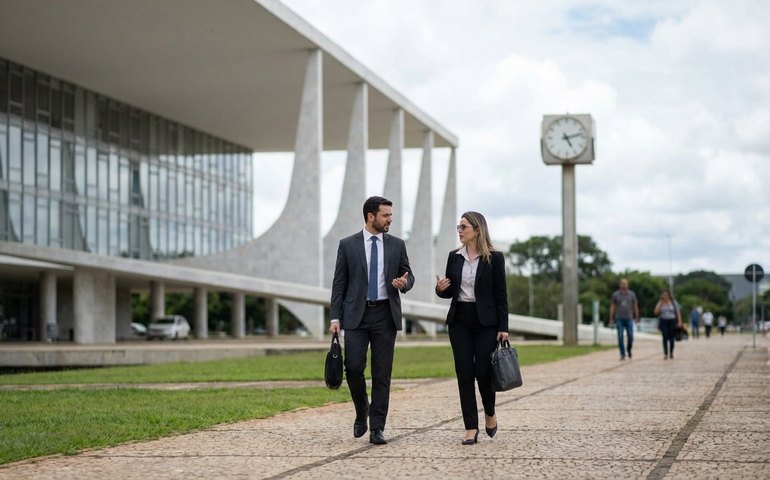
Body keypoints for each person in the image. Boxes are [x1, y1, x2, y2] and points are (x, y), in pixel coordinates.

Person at [329, 196, 414, 445]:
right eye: (386, 215)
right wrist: (335, 317)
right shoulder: (347, 245)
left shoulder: (397, 245)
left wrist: (404, 283)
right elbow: (339, 283)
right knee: (353, 367)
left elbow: (409, 276)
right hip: (355, 314)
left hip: (385, 315)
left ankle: (377, 427)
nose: (390, 219)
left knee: (382, 373)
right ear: (370, 216)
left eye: (391, 215)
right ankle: (361, 411)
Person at [435, 211, 509, 445]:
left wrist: (503, 326)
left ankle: (489, 412)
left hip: (486, 322)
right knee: (464, 373)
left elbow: (501, 295)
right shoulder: (454, 256)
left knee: (484, 373)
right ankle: (470, 427)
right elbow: (450, 291)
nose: (459, 230)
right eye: (459, 226)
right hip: (460, 321)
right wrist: (440, 288)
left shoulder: (494, 258)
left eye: (463, 227)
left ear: (477, 230)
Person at [608, 278, 639, 360]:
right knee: (620, 336)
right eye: (622, 283)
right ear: (620, 285)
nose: (624, 285)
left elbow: (635, 306)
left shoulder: (632, 294)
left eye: (625, 284)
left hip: (629, 318)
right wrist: (611, 317)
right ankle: (622, 354)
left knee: (630, 335)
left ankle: (629, 349)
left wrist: (636, 316)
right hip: (619, 318)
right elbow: (613, 306)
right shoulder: (616, 295)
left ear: (627, 285)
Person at [655, 291, 682, 360]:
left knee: (672, 338)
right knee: (665, 336)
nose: (665, 297)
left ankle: (671, 352)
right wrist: (661, 303)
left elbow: (678, 312)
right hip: (663, 321)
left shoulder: (673, 302)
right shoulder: (660, 303)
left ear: (669, 296)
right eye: (663, 295)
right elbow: (656, 312)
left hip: (672, 321)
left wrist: (679, 321)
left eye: (666, 295)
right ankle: (665, 353)